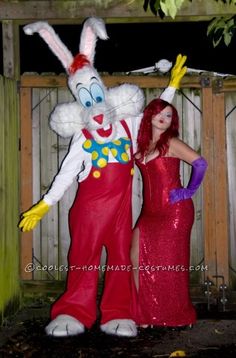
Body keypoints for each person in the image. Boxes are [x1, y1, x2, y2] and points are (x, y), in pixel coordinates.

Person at [18, 18, 187, 338]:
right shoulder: (82, 136)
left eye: (94, 90)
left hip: (121, 210)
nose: (93, 101)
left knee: (121, 259)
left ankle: (119, 312)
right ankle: (73, 311)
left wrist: (173, 86)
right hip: (88, 210)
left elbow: (157, 116)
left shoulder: (128, 123)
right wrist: (45, 204)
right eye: (85, 96)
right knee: (83, 258)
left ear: (102, 88)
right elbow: (67, 171)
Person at [131, 98, 207, 328]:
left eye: (169, 115)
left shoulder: (171, 142)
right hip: (150, 212)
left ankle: (172, 315)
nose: (164, 118)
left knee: (169, 264)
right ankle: (143, 313)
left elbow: (200, 163)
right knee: (135, 255)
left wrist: (188, 191)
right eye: (159, 113)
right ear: (150, 115)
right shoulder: (142, 145)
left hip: (175, 211)